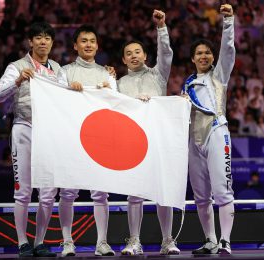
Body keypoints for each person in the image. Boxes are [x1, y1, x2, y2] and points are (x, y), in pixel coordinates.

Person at [0, 22, 59, 257]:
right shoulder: (16, 67)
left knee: (49, 193)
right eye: (38, 37)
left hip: (50, 133)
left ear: (52, 42)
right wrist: (18, 80)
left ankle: (39, 242)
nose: (43, 41)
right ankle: (22, 243)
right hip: (24, 129)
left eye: (47, 38)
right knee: (24, 191)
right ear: (30, 42)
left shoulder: (58, 69)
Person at [118, 10, 180, 256]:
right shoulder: (120, 83)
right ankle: (134, 240)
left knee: (163, 192)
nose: (134, 56)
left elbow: (166, 53)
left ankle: (168, 240)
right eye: (129, 53)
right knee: (135, 194)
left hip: (160, 139)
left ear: (145, 55)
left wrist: (162, 27)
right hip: (133, 142)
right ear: (124, 60)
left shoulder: (158, 74)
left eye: (137, 52)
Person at [57, 24, 117, 257]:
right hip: (72, 137)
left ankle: (102, 242)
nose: (88, 44)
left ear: (97, 45)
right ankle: (67, 241)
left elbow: (116, 102)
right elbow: (56, 99)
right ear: (75, 45)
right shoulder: (65, 72)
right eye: (83, 41)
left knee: (101, 193)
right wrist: (68, 89)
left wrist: (107, 90)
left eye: (92, 40)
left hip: (98, 138)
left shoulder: (107, 74)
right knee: (68, 192)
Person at [182, 4, 235, 255]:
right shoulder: (187, 84)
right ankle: (210, 240)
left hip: (216, 132)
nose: (203, 56)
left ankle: (225, 240)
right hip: (194, 140)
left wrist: (228, 21)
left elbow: (228, 49)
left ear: (212, 58)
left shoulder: (220, 75)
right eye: (198, 53)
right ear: (192, 58)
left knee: (222, 191)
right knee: (201, 197)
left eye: (207, 53)